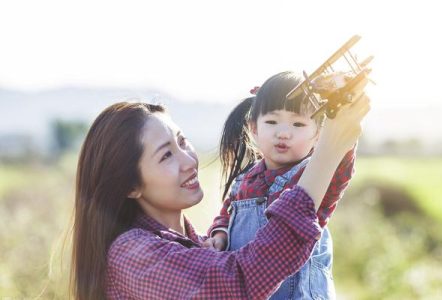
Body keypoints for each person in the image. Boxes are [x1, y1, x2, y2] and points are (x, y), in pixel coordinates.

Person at [71, 80, 369, 299]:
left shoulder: (201, 246)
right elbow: (238, 282)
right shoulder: (133, 256)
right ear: (131, 185)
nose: (188, 161)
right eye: (166, 155)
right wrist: (329, 150)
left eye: (183, 142)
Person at [203, 71, 356, 299]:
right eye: (272, 121)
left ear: (319, 134)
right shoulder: (245, 179)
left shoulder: (315, 175)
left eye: (298, 124)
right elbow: (227, 213)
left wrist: (342, 114)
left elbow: (340, 156)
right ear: (253, 128)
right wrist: (220, 234)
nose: (283, 133)